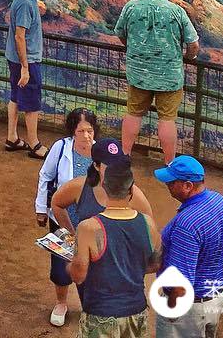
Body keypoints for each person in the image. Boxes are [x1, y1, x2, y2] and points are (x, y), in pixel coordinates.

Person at [114, 0, 199, 164]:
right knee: (167, 120)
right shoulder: (176, 11)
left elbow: (120, 32)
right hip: (169, 76)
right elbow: (193, 43)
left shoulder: (131, 7)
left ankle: (124, 155)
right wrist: (188, 57)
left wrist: (133, 48)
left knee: (133, 114)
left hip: (138, 73)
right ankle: (169, 163)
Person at [68, 161, 162, 338]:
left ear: (104, 187)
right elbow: (155, 263)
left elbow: (78, 275)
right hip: (136, 311)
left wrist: (70, 265)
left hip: (100, 314)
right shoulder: (148, 223)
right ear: (131, 190)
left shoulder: (88, 227)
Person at [153, 156, 223, 338]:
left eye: (171, 182)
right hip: (216, 297)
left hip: (190, 309)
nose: (167, 185)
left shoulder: (187, 225)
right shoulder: (220, 201)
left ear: (188, 186)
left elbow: (181, 283)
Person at [35, 107, 99, 327]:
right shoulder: (61, 148)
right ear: (73, 130)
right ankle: (61, 303)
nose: (86, 136)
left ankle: (89, 307)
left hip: (92, 222)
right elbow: (46, 176)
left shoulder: (101, 153)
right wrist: (41, 208)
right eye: (81, 131)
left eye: (89, 130)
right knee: (61, 263)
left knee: (92, 264)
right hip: (62, 218)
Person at [51, 139, 154, 238]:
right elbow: (57, 203)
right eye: (110, 166)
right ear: (96, 166)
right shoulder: (80, 186)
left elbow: (150, 227)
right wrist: (72, 237)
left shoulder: (133, 193)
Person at [6, 0, 51, 158]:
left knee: (16, 96)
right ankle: (34, 144)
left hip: (17, 58)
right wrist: (26, 67)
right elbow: (19, 36)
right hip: (27, 60)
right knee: (32, 102)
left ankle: (12, 137)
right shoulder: (25, 3)